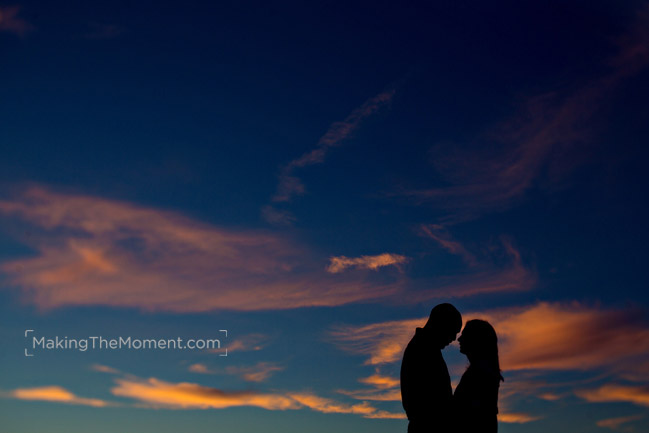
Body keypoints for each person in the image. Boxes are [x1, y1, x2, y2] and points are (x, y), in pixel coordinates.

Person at [400, 303, 462, 433]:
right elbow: (430, 402)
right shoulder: (421, 350)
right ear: (441, 324)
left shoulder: (427, 349)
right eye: (453, 331)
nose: (454, 339)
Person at [454, 319, 504, 433]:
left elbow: (470, 416)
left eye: (465, 335)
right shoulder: (481, 373)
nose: (459, 339)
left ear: (476, 339)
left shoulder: (480, 376)